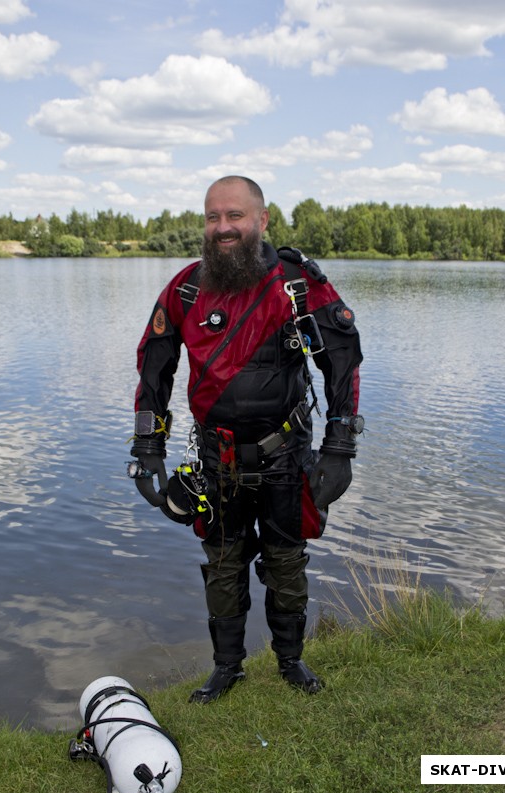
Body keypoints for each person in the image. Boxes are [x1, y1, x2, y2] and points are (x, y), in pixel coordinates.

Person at [129, 176, 363, 703]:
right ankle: (227, 668)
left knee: (286, 561)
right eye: (213, 217)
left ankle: (291, 661)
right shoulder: (185, 289)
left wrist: (340, 447)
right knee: (223, 564)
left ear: (262, 220)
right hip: (218, 459)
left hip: (287, 456)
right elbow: (154, 370)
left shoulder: (297, 285)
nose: (223, 228)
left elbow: (342, 359)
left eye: (234, 216)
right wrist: (147, 451)